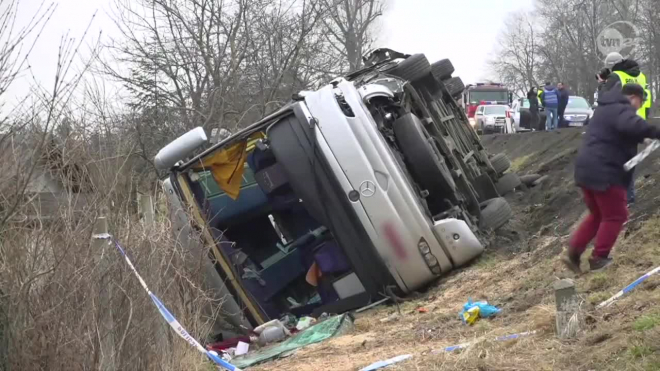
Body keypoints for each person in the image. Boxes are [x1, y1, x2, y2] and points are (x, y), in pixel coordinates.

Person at [562, 84, 660, 273]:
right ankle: (599, 257)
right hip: (606, 171)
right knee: (616, 215)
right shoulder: (621, 108)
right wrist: (653, 132)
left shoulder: (605, 108)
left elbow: (616, 133)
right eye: (641, 102)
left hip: (586, 169)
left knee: (598, 214)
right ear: (633, 97)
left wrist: (641, 139)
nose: (639, 107)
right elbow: (631, 125)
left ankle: (573, 252)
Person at [599, 52, 653, 205]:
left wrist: (603, 83)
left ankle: (623, 199)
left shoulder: (616, 77)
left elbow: (604, 97)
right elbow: (646, 99)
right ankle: (627, 198)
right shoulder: (640, 76)